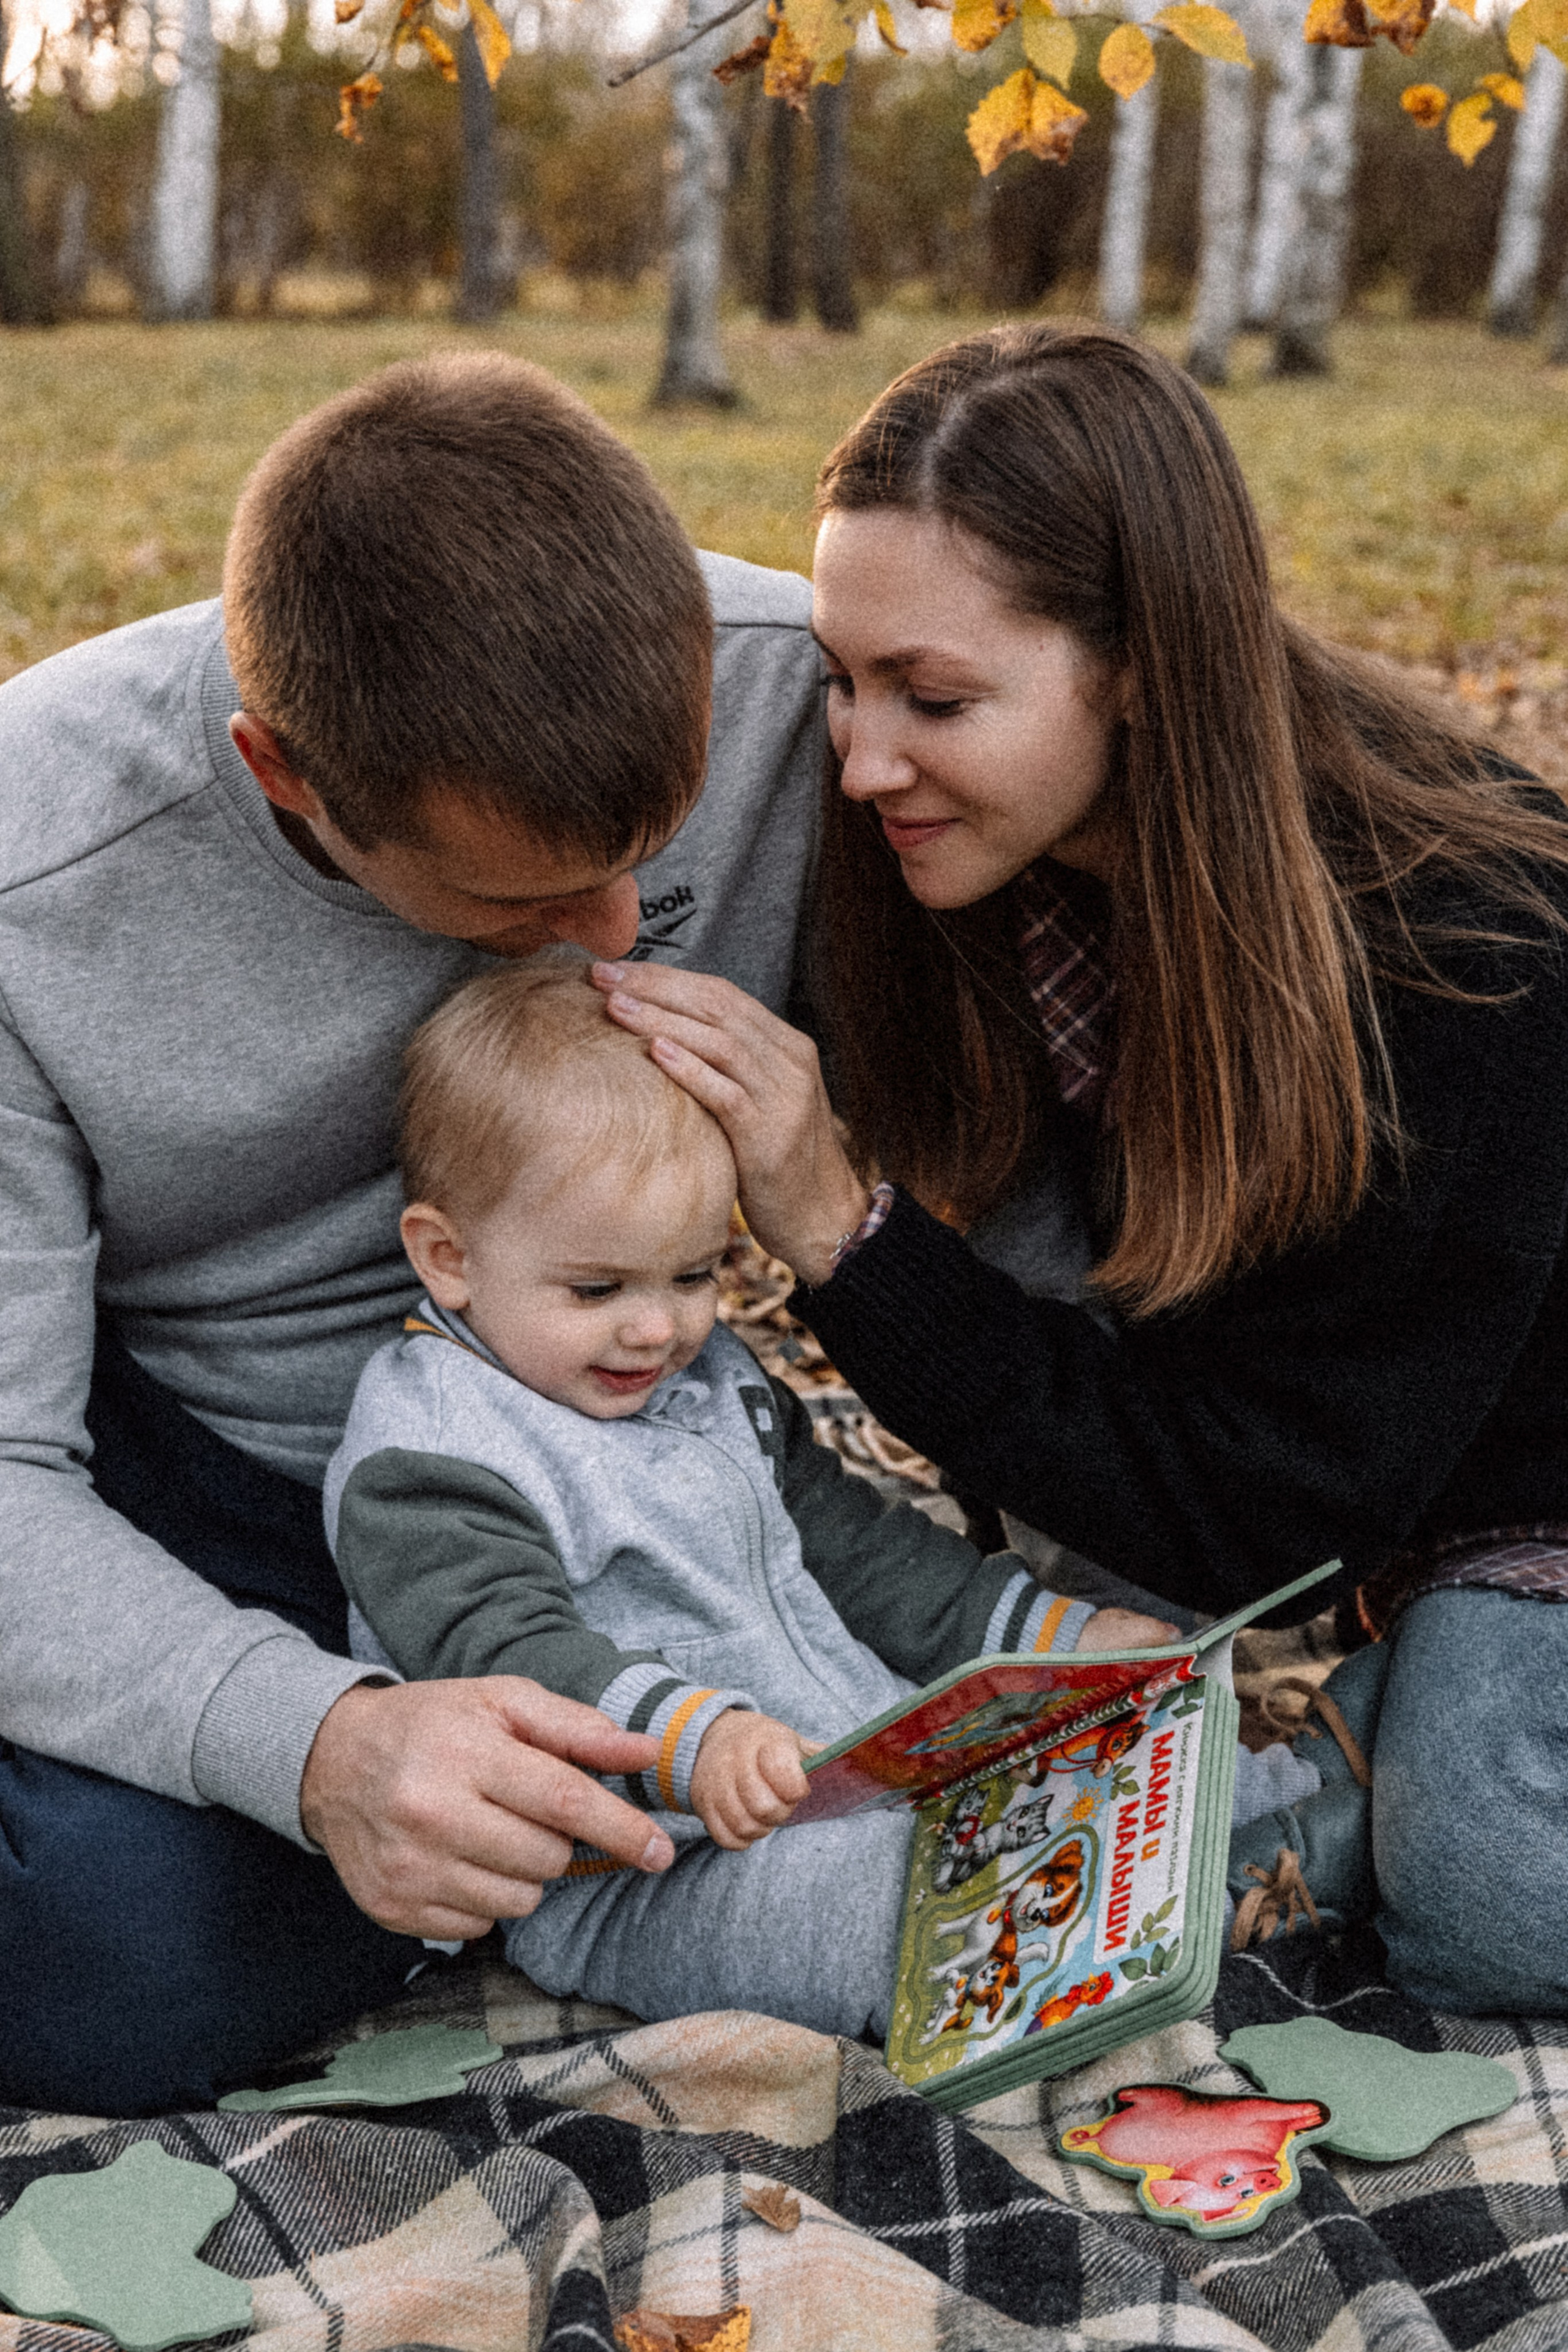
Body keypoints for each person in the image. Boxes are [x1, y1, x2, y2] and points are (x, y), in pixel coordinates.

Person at [590, 323, 1568, 2018]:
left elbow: (1243, 1511)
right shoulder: (1003, 862)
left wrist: (841, 1231)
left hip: (1516, 1495)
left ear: (1138, 671)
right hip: (1366, 1491)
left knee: (1492, 1896)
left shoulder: (1465, 950)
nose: (860, 759)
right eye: (840, 678)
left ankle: (1368, 1777)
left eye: (933, 698)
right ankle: (1378, 1757)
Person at [0, 350, 835, 2115]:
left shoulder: (794, 685)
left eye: (656, 851)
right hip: (222, 1477)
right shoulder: (33, 877)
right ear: (282, 775)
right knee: (115, 1960)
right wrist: (317, 1744)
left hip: (640, 1434)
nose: (617, 932)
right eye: (524, 894)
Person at [325, 952, 1182, 2038]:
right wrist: (695, 1740)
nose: (658, 1328)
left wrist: (1051, 1642)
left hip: (856, 1769)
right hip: (643, 1874)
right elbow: (508, 1656)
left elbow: (860, 1552)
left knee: (1116, 1753)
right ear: (448, 1257)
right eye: (597, 1288)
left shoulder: (709, 1382)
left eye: (694, 1275)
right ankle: (1136, 1924)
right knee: (912, 1894)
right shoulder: (432, 1457)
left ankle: (1290, 1828)